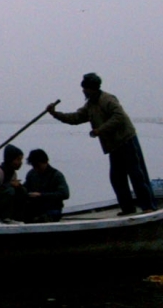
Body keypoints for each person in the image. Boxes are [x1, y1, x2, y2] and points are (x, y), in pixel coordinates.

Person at [46, 72, 156, 214]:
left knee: (136, 175)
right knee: (117, 178)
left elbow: (119, 116)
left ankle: (147, 207)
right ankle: (128, 209)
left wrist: (100, 130)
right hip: (113, 146)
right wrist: (55, 113)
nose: (83, 91)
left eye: (85, 88)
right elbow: (75, 118)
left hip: (126, 141)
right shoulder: (90, 105)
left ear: (92, 88)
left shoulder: (107, 99)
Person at [22, 148, 70, 222]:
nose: (36, 169)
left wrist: (41, 195)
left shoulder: (56, 175)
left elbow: (64, 194)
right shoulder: (32, 174)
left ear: (45, 162)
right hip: (35, 208)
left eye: (38, 166)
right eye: (34, 166)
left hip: (52, 209)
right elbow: (25, 188)